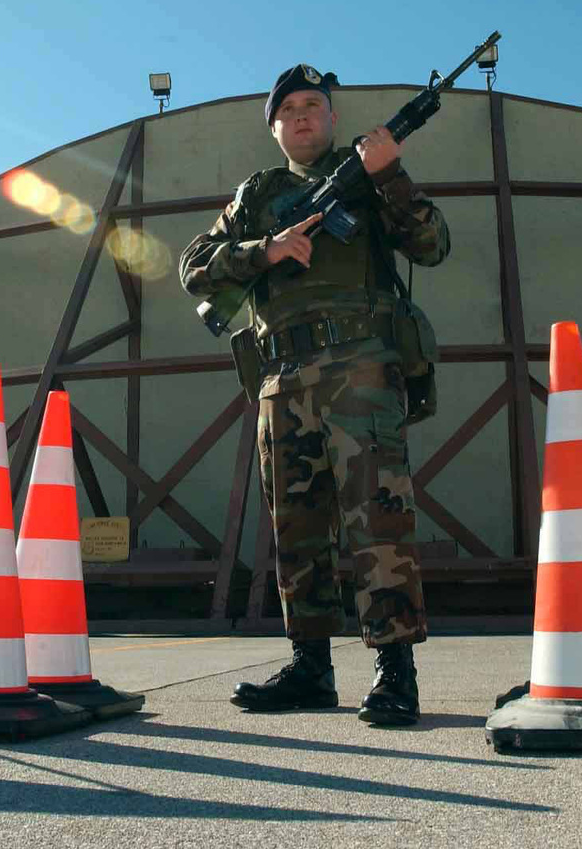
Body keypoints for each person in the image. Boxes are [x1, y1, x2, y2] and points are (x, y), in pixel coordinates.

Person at [178, 63, 450, 725]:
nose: (301, 115)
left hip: (361, 372)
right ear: (273, 127)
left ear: (331, 117)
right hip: (282, 381)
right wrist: (263, 252)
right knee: (295, 529)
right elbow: (193, 270)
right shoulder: (255, 195)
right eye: (288, 109)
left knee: (377, 519)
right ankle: (310, 668)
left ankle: (395, 670)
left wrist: (388, 173)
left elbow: (433, 244)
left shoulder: (369, 176)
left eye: (313, 105)